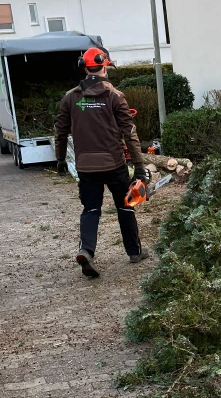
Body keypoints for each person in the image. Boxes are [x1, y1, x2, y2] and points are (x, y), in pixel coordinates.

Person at [55, 47, 150, 278]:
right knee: (125, 207)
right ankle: (135, 252)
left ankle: (86, 251)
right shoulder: (115, 96)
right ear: (104, 65)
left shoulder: (71, 98)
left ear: (85, 67)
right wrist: (138, 166)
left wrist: (59, 160)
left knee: (91, 209)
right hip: (114, 165)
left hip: (86, 167)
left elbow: (60, 132)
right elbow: (130, 133)